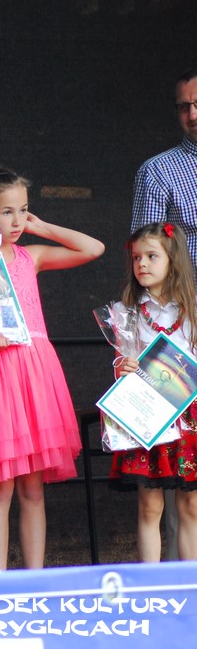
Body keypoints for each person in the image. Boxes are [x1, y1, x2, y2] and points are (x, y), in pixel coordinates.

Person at [0, 163, 104, 570]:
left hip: (35, 375)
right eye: (7, 212)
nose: (18, 221)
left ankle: (34, 577)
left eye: (23, 210)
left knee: (33, 489)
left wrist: (42, 227)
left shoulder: (28, 257)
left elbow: (93, 248)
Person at [129, 67, 197, 559]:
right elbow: (144, 252)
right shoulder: (158, 170)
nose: (192, 114)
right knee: (180, 475)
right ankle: (176, 581)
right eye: (184, 106)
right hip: (175, 327)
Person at [108, 222, 197, 562]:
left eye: (151, 256)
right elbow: (122, 361)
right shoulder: (125, 313)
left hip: (189, 418)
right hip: (147, 414)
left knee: (191, 506)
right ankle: (151, 583)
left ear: (174, 261)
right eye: (136, 257)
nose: (142, 263)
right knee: (149, 505)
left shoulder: (193, 310)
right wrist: (122, 367)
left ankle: (189, 584)